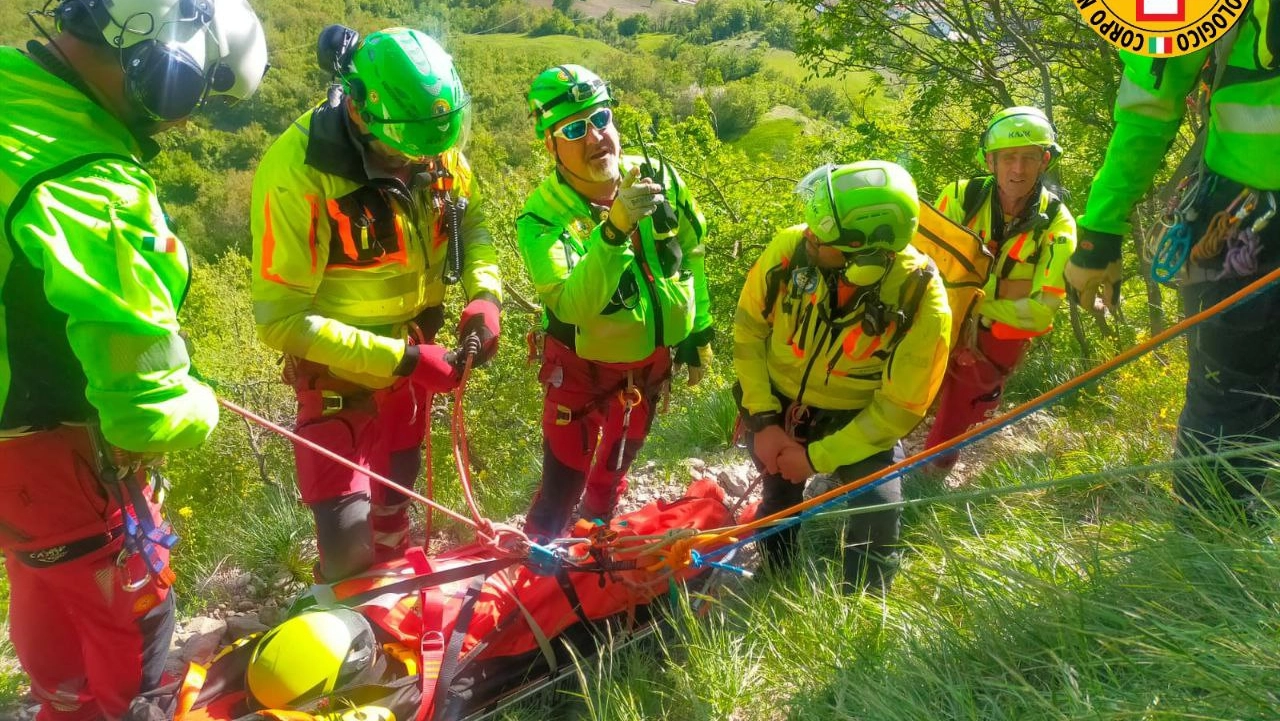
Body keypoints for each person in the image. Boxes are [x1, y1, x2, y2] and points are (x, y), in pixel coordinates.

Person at [0, 0, 267, 717]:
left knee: (43, 580)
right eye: (199, 94)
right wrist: (200, 397)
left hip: (15, 472)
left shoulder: (13, 91)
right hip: (63, 458)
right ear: (170, 62)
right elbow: (147, 413)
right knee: (135, 638)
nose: (182, 119)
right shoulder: (93, 181)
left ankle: (61, 704)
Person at [251, 26, 502, 581]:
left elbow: (473, 220)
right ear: (362, 113)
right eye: (403, 153)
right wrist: (405, 360)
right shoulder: (300, 173)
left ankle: (396, 588)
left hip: (415, 358)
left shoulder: (430, 146)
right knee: (346, 549)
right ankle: (346, 621)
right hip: (341, 378)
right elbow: (279, 319)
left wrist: (485, 294)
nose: (419, 164)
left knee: (397, 494)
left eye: (431, 152)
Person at [1064, 11, 1280, 522]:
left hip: (1240, 223)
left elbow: (1150, 104)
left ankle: (1213, 556)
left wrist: (1100, 232)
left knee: (1228, 391)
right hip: (1240, 225)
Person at [734, 160, 951, 593]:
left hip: (858, 419)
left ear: (865, 259)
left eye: (824, 236)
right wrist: (763, 420)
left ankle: (865, 610)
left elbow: (898, 409)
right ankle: (776, 582)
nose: (808, 235)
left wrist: (816, 459)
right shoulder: (790, 249)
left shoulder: (922, 298)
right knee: (778, 501)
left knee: (877, 508)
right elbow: (748, 332)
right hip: (777, 407)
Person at [517, 64, 714, 538]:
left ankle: (596, 554)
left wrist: (698, 333)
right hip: (581, 375)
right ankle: (537, 573)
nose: (595, 137)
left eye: (601, 118)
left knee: (612, 475)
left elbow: (693, 251)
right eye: (574, 128)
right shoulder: (542, 217)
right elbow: (572, 306)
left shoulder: (659, 177)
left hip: (649, 368)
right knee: (560, 488)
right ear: (551, 144)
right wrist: (614, 230)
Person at [922, 106, 1076, 471]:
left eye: (1028, 158)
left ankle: (931, 474)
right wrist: (1007, 288)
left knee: (961, 411)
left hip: (994, 335)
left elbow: (1040, 311)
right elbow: (925, 266)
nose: (1018, 170)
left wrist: (972, 292)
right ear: (990, 161)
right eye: (1008, 158)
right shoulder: (962, 197)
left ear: (1045, 161)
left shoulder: (1058, 224)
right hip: (941, 312)